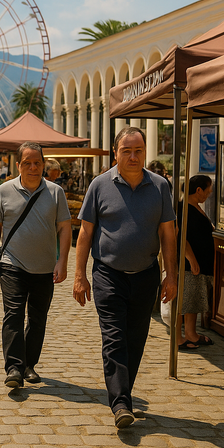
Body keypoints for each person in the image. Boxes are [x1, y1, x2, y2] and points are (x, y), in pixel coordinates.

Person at [73, 126, 177, 429]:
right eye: (127, 150)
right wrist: (80, 276)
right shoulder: (99, 185)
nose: (133, 156)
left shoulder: (160, 186)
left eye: (139, 150)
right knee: (115, 337)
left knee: (136, 339)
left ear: (145, 152)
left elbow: (168, 234)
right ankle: (120, 403)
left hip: (146, 275)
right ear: (115, 152)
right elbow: (85, 234)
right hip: (108, 274)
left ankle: (124, 394)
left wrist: (170, 274)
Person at [0, 142, 72, 388]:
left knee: (37, 318)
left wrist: (62, 261)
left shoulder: (56, 192)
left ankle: (28, 365)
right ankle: (13, 368)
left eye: (37, 163)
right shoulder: (4, 191)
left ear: (44, 164)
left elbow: (65, 228)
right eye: (27, 163)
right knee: (13, 314)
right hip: (12, 264)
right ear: (18, 165)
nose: (33, 168)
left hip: (44, 268)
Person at [177, 175, 215, 350]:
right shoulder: (183, 209)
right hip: (188, 263)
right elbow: (181, 237)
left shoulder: (196, 207)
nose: (209, 194)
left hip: (199, 262)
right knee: (183, 300)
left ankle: (191, 333)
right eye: (207, 190)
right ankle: (179, 337)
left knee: (193, 300)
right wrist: (191, 259)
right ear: (198, 190)